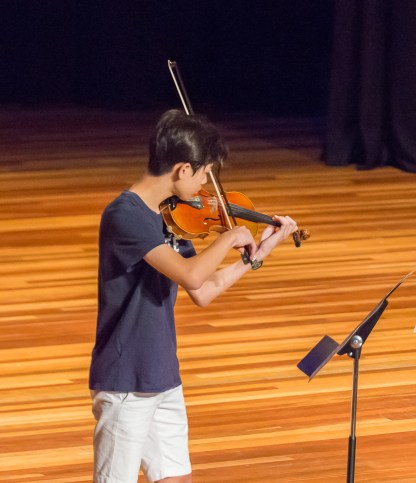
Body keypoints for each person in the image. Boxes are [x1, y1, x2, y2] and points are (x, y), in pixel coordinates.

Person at [89, 109, 298, 483]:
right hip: (125, 380)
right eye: (205, 174)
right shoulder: (125, 215)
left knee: (177, 479)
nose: (206, 185)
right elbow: (190, 273)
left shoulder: (172, 218)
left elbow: (201, 290)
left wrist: (256, 257)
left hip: (161, 372)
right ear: (183, 169)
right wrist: (229, 237)